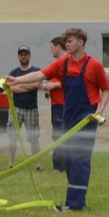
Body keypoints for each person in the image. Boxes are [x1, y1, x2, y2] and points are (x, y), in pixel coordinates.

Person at [10, 28, 109, 210]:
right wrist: (17, 80)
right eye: (65, 41)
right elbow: (40, 74)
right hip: (68, 117)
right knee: (68, 158)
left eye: (70, 41)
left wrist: (100, 110)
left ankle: (75, 204)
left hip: (86, 119)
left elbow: (105, 89)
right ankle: (77, 201)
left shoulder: (94, 65)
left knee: (80, 159)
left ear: (80, 42)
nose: (66, 44)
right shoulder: (63, 63)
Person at [7, 45, 42, 164]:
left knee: (33, 138)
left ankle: (38, 165)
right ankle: (10, 164)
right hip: (15, 108)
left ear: (29, 56)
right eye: (21, 54)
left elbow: (35, 85)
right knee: (12, 137)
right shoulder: (13, 72)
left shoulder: (36, 71)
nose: (23, 56)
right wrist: (27, 86)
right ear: (18, 57)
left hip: (31, 109)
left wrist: (18, 85)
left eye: (25, 54)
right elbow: (11, 89)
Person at [43, 36, 68, 172]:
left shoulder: (67, 62)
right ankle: (61, 164)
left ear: (58, 47)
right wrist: (50, 89)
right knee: (57, 133)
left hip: (63, 105)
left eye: (52, 47)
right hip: (56, 104)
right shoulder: (57, 64)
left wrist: (54, 85)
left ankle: (59, 166)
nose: (51, 50)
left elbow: (71, 82)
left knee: (60, 134)